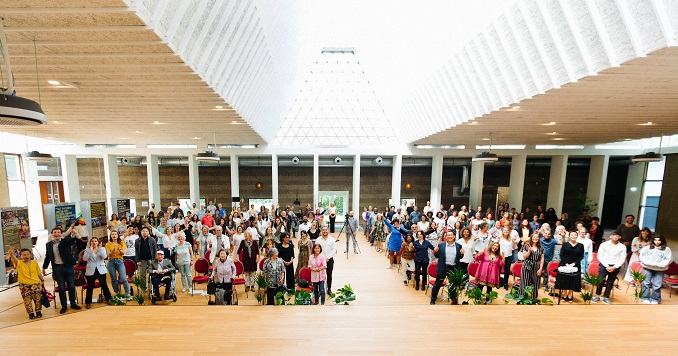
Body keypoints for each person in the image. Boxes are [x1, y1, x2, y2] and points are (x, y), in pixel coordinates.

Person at [42, 224, 82, 314]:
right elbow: (47, 257)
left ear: (61, 234)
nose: (56, 234)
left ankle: (73, 303)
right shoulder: (49, 245)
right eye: (54, 232)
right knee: (61, 288)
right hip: (57, 268)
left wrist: (72, 235)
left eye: (58, 232)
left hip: (67, 267)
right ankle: (64, 306)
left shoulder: (65, 241)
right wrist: (44, 267)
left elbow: (71, 241)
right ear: (52, 234)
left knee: (71, 286)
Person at [5, 246, 44, 319]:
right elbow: (15, 260)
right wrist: (12, 255)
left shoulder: (34, 262)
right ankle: (31, 313)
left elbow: (38, 272)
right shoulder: (19, 263)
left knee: (38, 299)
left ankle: (38, 311)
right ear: (21, 256)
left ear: (30, 255)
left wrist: (42, 280)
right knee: (27, 301)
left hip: (36, 283)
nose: (26, 256)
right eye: (24, 255)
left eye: (28, 254)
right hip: (24, 285)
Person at [429, 232, 464, 304]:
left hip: (453, 267)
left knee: (453, 285)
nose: (450, 236)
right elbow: (437, 256)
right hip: (443, 267)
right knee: (437, 284)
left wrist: (462, 254)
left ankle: (454, 300)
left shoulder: (459, 246)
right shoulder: (441, 245)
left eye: (451, 235)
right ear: (446, 237)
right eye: (448, 235)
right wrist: (435, 252)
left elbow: (459, 257)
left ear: (454, 236)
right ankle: (433, 299)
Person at [592, 232, 627, 305]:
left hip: (615, 266)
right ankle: (597, 296)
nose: (615, 237)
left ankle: (606, 297)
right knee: (600, 281)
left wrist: (615, 267)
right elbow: (600, 256)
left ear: (620, 237)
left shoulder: (622, 247)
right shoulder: (604, 244)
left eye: (617, 235)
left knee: (610, 282)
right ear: (610, 236)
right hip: (604, 265)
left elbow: (622, 258)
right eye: (613, 235)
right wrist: (606, 266)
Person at [639, 234, 673, 304]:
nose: (657, 242)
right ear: (653, 240)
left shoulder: (667, 249)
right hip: (648, 267)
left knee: (657, 284)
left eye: (659, 240)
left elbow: (669, 259)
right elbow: (642, 256)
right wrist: (648, 263)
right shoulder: (647, 248)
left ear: (662, 241)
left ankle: (655, 299)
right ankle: (645, 297)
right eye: (655, 240)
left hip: (660, 269)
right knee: (646, 283)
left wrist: (659, 265)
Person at [83, 237, 113, 308]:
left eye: (95, 241)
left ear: (98, 242)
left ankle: (108, 299)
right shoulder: (87, 250)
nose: (94, 242)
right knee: (90, 286)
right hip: (91, 270)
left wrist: (99, 248)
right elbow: (85, 259)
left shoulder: (102, 249)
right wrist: (90, 251)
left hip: (101, 269)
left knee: (104, 285)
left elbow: (104, 256)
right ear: (90, 243)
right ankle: (88, 302)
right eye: (92, 241)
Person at [555, 231, 584, 303]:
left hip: (575, 265)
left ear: (577, 236)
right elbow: (561, 255)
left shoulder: (581, 245)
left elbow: (581, 256)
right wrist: (566, 263)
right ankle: (564, 295)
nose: (573, 236)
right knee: (565, 279)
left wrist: (574, 263)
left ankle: (570, 295)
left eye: (575, 235)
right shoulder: (565, 244)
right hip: (565, 264)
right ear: (569, 236)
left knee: (573, 280)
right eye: (572, 235)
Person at [105, 231, 131, 296]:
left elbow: (123, 253)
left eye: (115, 234)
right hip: (111, 262)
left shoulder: (122, 243)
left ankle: (127, 293)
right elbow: (108, 254)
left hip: (120, 261)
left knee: (123, 278)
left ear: (118, 235)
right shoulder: (108, 244)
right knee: (113, 279)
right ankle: (117, 293)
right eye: (112, 234)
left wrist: (119, 249)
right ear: (110, 236)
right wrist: (112, 251)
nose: (114, 235)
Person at [520, 233, 544, 299]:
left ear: (538, 239)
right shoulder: (526, 246)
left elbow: (542, 259)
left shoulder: (541, 248)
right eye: (534, 237)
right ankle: (523, 297)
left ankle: (534, 298)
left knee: (536, 282)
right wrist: (529, 252)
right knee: (525, 281)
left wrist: (540, 269)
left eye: (537, 237)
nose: (535, 238)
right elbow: (524, 257)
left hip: (537, 265)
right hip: (527, 264)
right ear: (531, 238)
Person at [314, 226, 337, 295]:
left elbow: (334, 249)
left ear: (328, 231)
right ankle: (320, 290)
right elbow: (316, 249)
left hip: (329, 260)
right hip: (320, 260)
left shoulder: (332, 239)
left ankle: (329, 289)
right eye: (323, 230)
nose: (324, 231)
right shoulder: (318, 240)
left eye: (326, 230)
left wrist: (328, 257)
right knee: (320, 275)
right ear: (321, 231)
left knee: (329, 275)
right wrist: (322, 258)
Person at [135, 226, 158, 292]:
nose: (145, 232)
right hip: (142, 260)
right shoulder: (137, 241)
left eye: (146, 231)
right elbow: (136, 251)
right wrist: (138, 260)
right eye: (143, 231)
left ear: (148, 232)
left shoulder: (152, 240)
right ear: (141, 232)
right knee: (142, 275)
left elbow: (155, 250)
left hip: (151, 259)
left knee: (153, 273)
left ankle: (153, 287)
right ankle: (143, 288)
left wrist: (154, 260)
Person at [498, 226, 517, 290]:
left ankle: (505, 283)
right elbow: (496, 247)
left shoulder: (511, 239)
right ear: (502, 232)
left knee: (507, 271)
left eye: (507, 230)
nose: (506, 232)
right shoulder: (499, 238)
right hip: (500, 256)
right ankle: (499, 281)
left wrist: (514, 242)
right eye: (504, 230)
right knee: (498, 270)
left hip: (509, 256)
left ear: (509, 232)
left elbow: (513, 248)